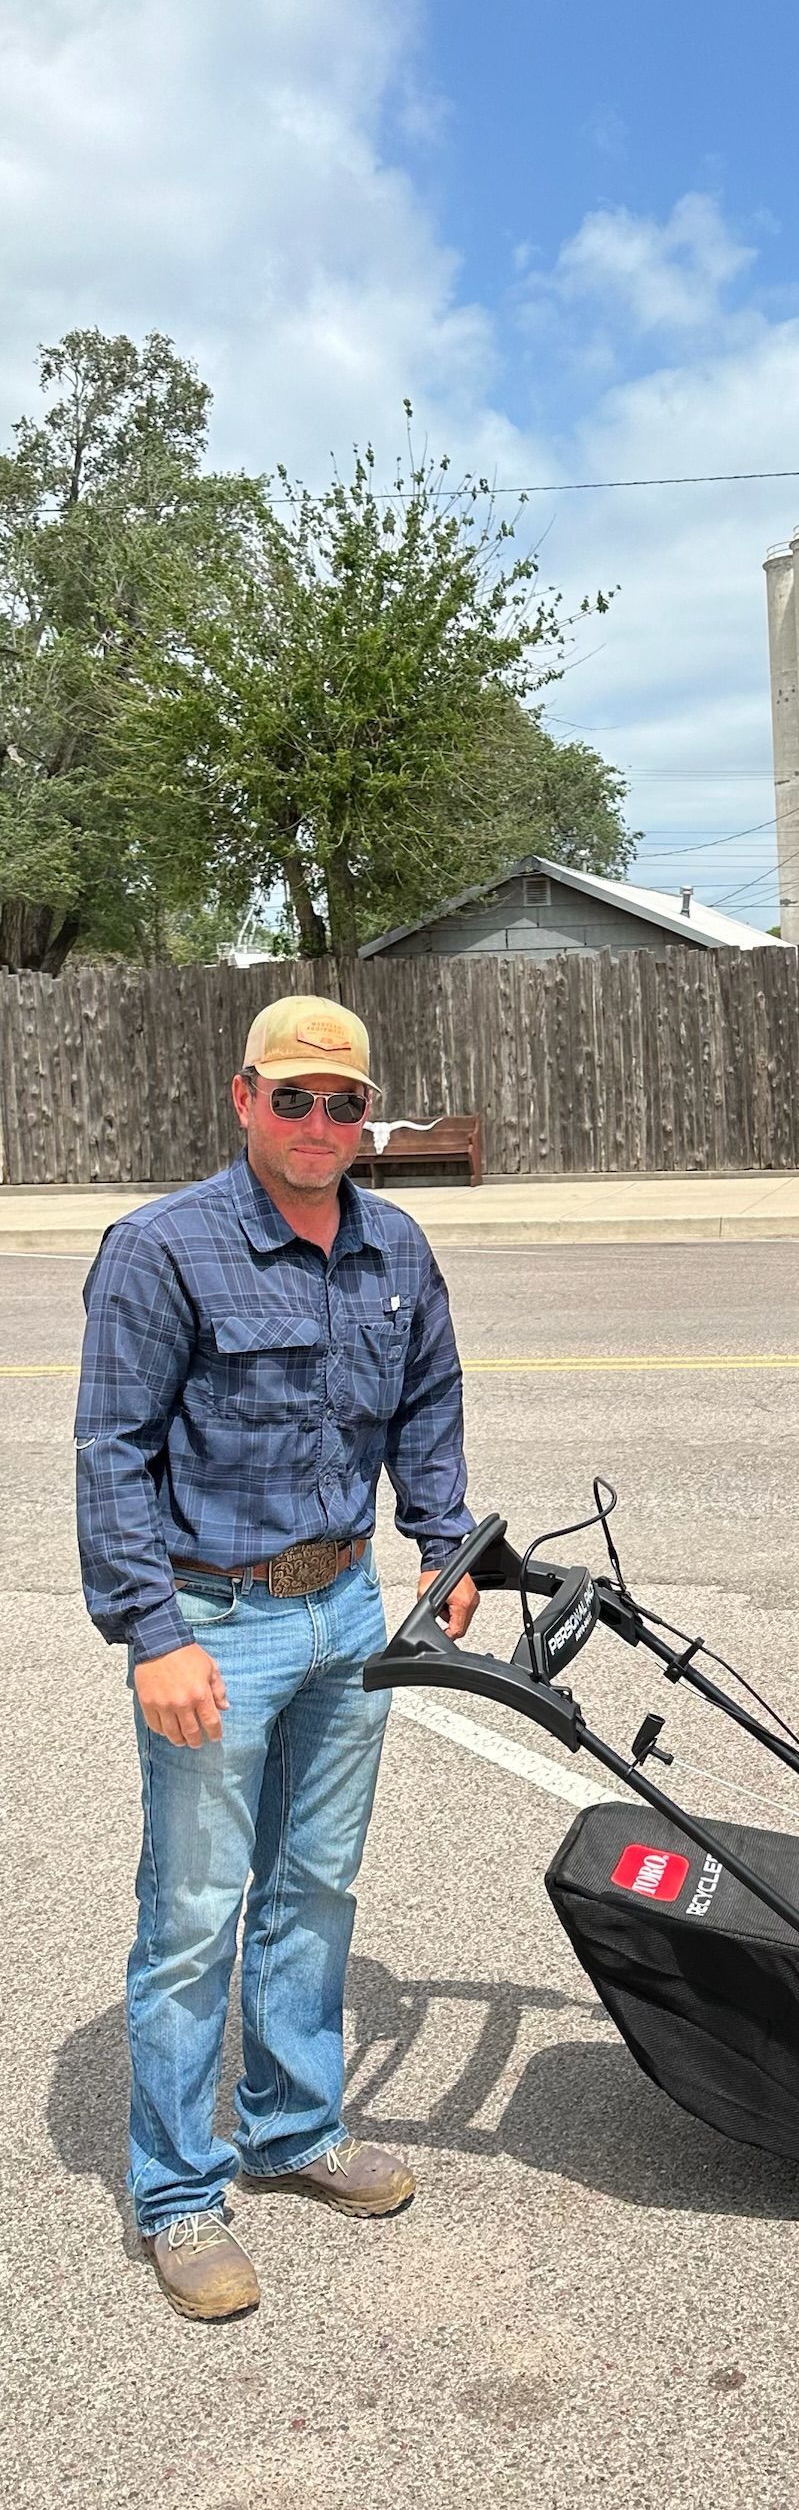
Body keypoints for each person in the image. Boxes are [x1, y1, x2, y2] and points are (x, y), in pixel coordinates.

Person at [74, 994, 480, 2323]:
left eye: (344, 1102)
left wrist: (442, 1539)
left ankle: (294, 2129)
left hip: (345, 1616)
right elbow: (112, 1457)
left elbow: (427, 1403)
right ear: (242, 1098)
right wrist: (154, 1631)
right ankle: (177, 2194)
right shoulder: (162, 1251)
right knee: (193, 1916)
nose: (319, 1124)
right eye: (292, 1098)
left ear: (372, 1117)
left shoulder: (395, 1249)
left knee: (314, 1887)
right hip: (215, 1627)